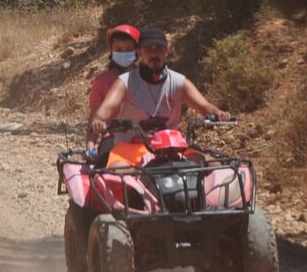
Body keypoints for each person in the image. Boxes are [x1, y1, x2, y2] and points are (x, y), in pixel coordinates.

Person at [89, 29, 231, 167]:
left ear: (166, 52)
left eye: (159, 49)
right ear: (139, 52)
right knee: (120, 171)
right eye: (148, 49)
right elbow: (107, 106)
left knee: (211, 163)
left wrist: (218, 113)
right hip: (131, 147)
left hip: (170, 149)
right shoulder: (125, 82)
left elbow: (204, 106)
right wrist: (99, 118)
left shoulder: (179, 82)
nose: (154, 54)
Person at [84, 25, 140, 153]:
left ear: (137, 51)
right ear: (111, 51)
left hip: (143, 138)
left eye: (128, 49)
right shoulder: (102, 80)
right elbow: (94, 117)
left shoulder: (145, 79)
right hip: (112, 139)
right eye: (119, 49)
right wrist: (90, 148)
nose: (124, 53)